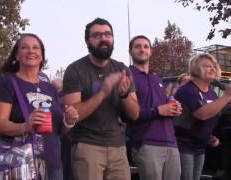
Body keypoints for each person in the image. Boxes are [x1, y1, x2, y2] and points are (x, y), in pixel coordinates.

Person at [0, 33, 79, 180]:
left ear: (42, 56)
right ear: (17, 56)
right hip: (21, 165)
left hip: (53, 164)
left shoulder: (49, 88)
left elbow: (58, 132)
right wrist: (26, 126)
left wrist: (69, 121)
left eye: (36, 48)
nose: (31, 51)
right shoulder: (7, 83)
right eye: (25, 47)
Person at [63, 18, 140, 180]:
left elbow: (135, 114)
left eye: (107, 34)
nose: (104, 39)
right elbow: (72, 115)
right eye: (97, 35)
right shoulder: (75, 69)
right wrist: (103, 92)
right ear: (87, 41)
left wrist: (124, 95)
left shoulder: (121, 68)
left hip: (118, 147)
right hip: (87, 146)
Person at [127, 35, 182, 180]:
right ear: (130, 51)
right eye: (137, 46)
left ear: (150, 51)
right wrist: (158, 111)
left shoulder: (156, 78)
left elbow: (163, 106)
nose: (142, 49)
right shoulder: (127, 76)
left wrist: (174, 107)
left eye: (146, 47)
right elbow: (128, 114)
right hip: (147, 143)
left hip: (171, 142)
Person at [174, 53, 229, 180]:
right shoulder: (187, 90)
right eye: (207, 66)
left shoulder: (211, 93)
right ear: (196, 68)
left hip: (200, 147)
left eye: (213, 66)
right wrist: (226, 96)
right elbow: (201, 114)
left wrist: (209, 137)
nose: (212, 69)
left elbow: (210, 115)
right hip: (183, 146)